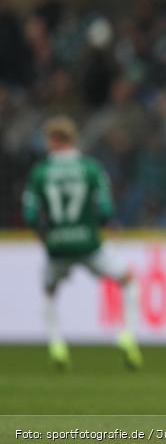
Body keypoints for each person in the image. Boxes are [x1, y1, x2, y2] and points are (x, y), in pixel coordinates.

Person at [22, 116, 142, 370]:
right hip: (89, 243)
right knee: (128, 280)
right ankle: (127, 335)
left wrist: (46, 237)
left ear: (53, 140)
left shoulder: (40, 171)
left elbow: (31, 214)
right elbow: (106, 208)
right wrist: (95, 227)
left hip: (56, 246)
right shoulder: (91, 168)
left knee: (49, 292)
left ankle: (56, 344)